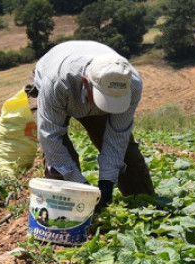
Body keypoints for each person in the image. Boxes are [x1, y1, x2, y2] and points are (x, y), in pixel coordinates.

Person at [32, 40, 154, 211]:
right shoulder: (55, 82)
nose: (105, 108)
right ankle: (65, 218)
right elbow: (51, 139)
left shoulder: (132, 84)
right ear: (85, 82)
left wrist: (106, 183)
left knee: (128, 155)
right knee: (60, 165)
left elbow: (117, 137)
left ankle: (145, 209)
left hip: (82, 88)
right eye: (103, 100)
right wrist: (81, 187)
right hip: (51, 86)